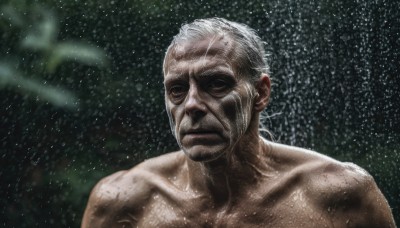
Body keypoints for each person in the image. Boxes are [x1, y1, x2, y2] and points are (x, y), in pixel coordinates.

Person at [81, 18, 396, 227]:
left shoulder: (339, 195)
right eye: (177, 90)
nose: (192, 105)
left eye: (215, 84)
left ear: (260, 93)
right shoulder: (122, 203)